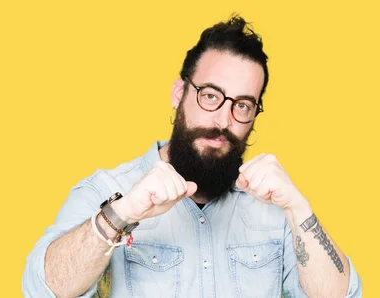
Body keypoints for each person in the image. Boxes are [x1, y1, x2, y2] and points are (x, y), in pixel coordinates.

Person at [22, 15, 362, 298]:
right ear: (179, 93)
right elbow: (41, 288)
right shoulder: (108, 191)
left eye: (242, 105)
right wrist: (123, 212)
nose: (223, 121)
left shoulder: (276, 210)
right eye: (211, 95)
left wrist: (298, 208)